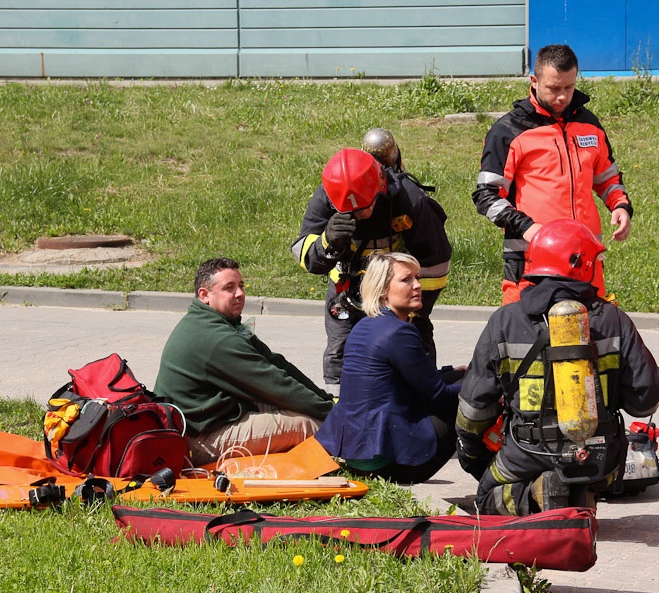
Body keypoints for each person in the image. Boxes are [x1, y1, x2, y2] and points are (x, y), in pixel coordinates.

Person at [457, 219, 659, 515]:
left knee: (486, 498)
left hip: (528, 453)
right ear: (582, 265)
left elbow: (475, 406)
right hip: (599, 456)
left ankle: (536, 495)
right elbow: (644, 402)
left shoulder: (505, 321)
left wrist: (470, 450)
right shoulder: (613, 319)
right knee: (592, 466)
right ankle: (583, 490)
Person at [473, 43, 633, 304]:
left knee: (590, 339)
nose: (562, 97)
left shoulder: (589, 124)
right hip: (531, 264)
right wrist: (528, 228)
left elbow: (607, 179)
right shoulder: (508, 131)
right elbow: (486, 197)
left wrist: (621, 206)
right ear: (534, 81)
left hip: (585, 262)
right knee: (527, 342)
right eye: (554, 88)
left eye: (569, 88)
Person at [292, 148, 452, 396]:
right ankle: (342, 415)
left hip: (397, 300)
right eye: (352, 210)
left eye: (366, 206)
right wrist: (328, 241)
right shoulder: (327, 197)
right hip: (345, 296)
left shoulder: (410, 199)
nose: (360, 214)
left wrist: (414, 310)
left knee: (413, 351)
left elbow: (437, 264)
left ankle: (419, 417)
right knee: (341, 357)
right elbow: (305, 257)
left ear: (381, 186)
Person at [154, 257, 334, 466]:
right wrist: (332, 414)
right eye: (229, 288)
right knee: (311, 424)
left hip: (212, 417)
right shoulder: (216, 338)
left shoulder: (215, 321)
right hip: (197, 440)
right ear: (204, 295)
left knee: (305, 408)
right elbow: (275, 385)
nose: (239, 294)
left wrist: (324, 398)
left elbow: (277, 365)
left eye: (241, 286)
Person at [315, 253, 462, 484]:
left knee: (462, 381)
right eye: (406, 280)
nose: (417, 286)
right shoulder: (400, 332)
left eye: (417, 278)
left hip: (356, 456)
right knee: (477, 400)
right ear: (383, 290)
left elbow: (411, 379)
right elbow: (438, 396)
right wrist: (480, 386)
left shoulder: (365, 325)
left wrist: (454, 373)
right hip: (389, 465)